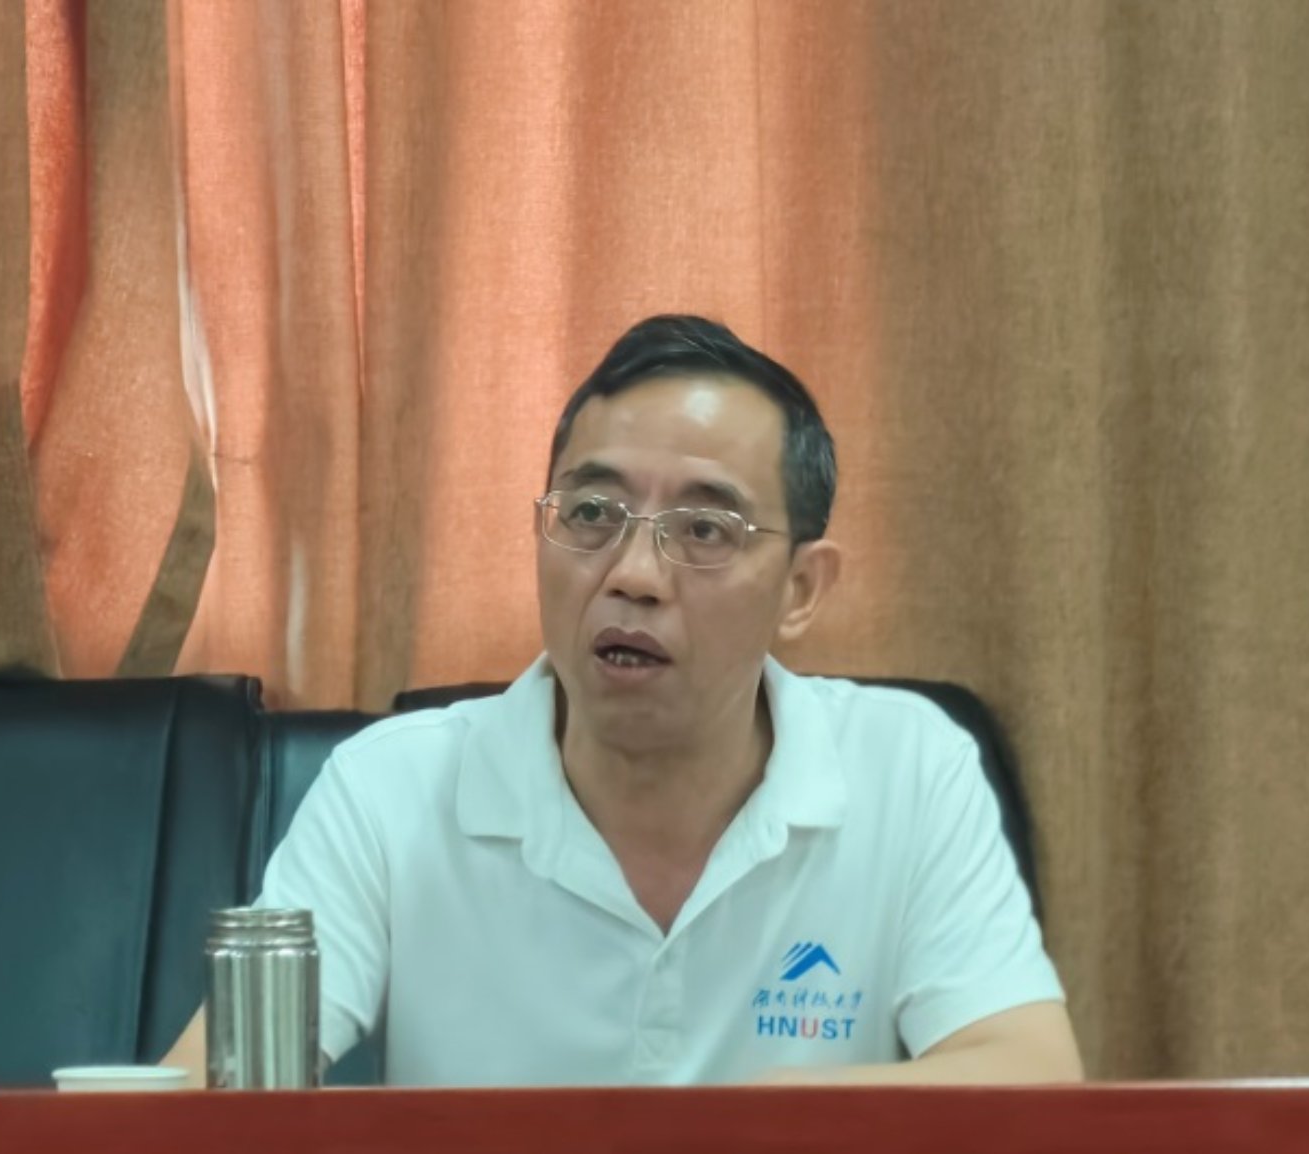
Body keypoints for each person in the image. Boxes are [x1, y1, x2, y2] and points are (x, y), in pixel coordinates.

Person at [166, 314, 1081, 1086]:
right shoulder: (391, 789)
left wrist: (737, 1128)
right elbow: (213, 1097)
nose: (634, 575)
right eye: (592, 515)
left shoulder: (907, 766)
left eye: (705, 529)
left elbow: (1028, 1071)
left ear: (801, 589)